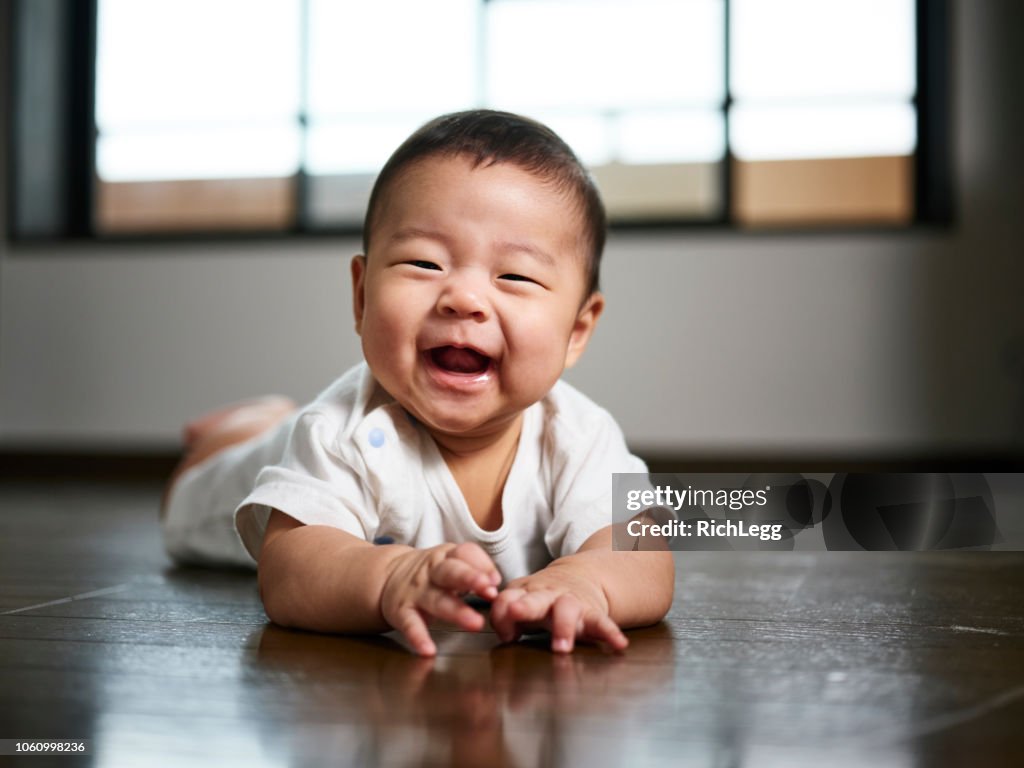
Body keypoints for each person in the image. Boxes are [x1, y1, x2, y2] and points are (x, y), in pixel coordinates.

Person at [161, 110, 674, 656]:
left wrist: (585, 581)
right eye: (425, 263)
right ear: (361, 297)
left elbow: (642, 548)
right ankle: (244, 427)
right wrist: (389, 576)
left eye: (515, 276)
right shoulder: (340, 431)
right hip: (233, 487)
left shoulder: (578, 435)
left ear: (576, 330)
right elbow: (289, 570)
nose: (464, 298)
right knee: (189, 497)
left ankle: (269, 416)